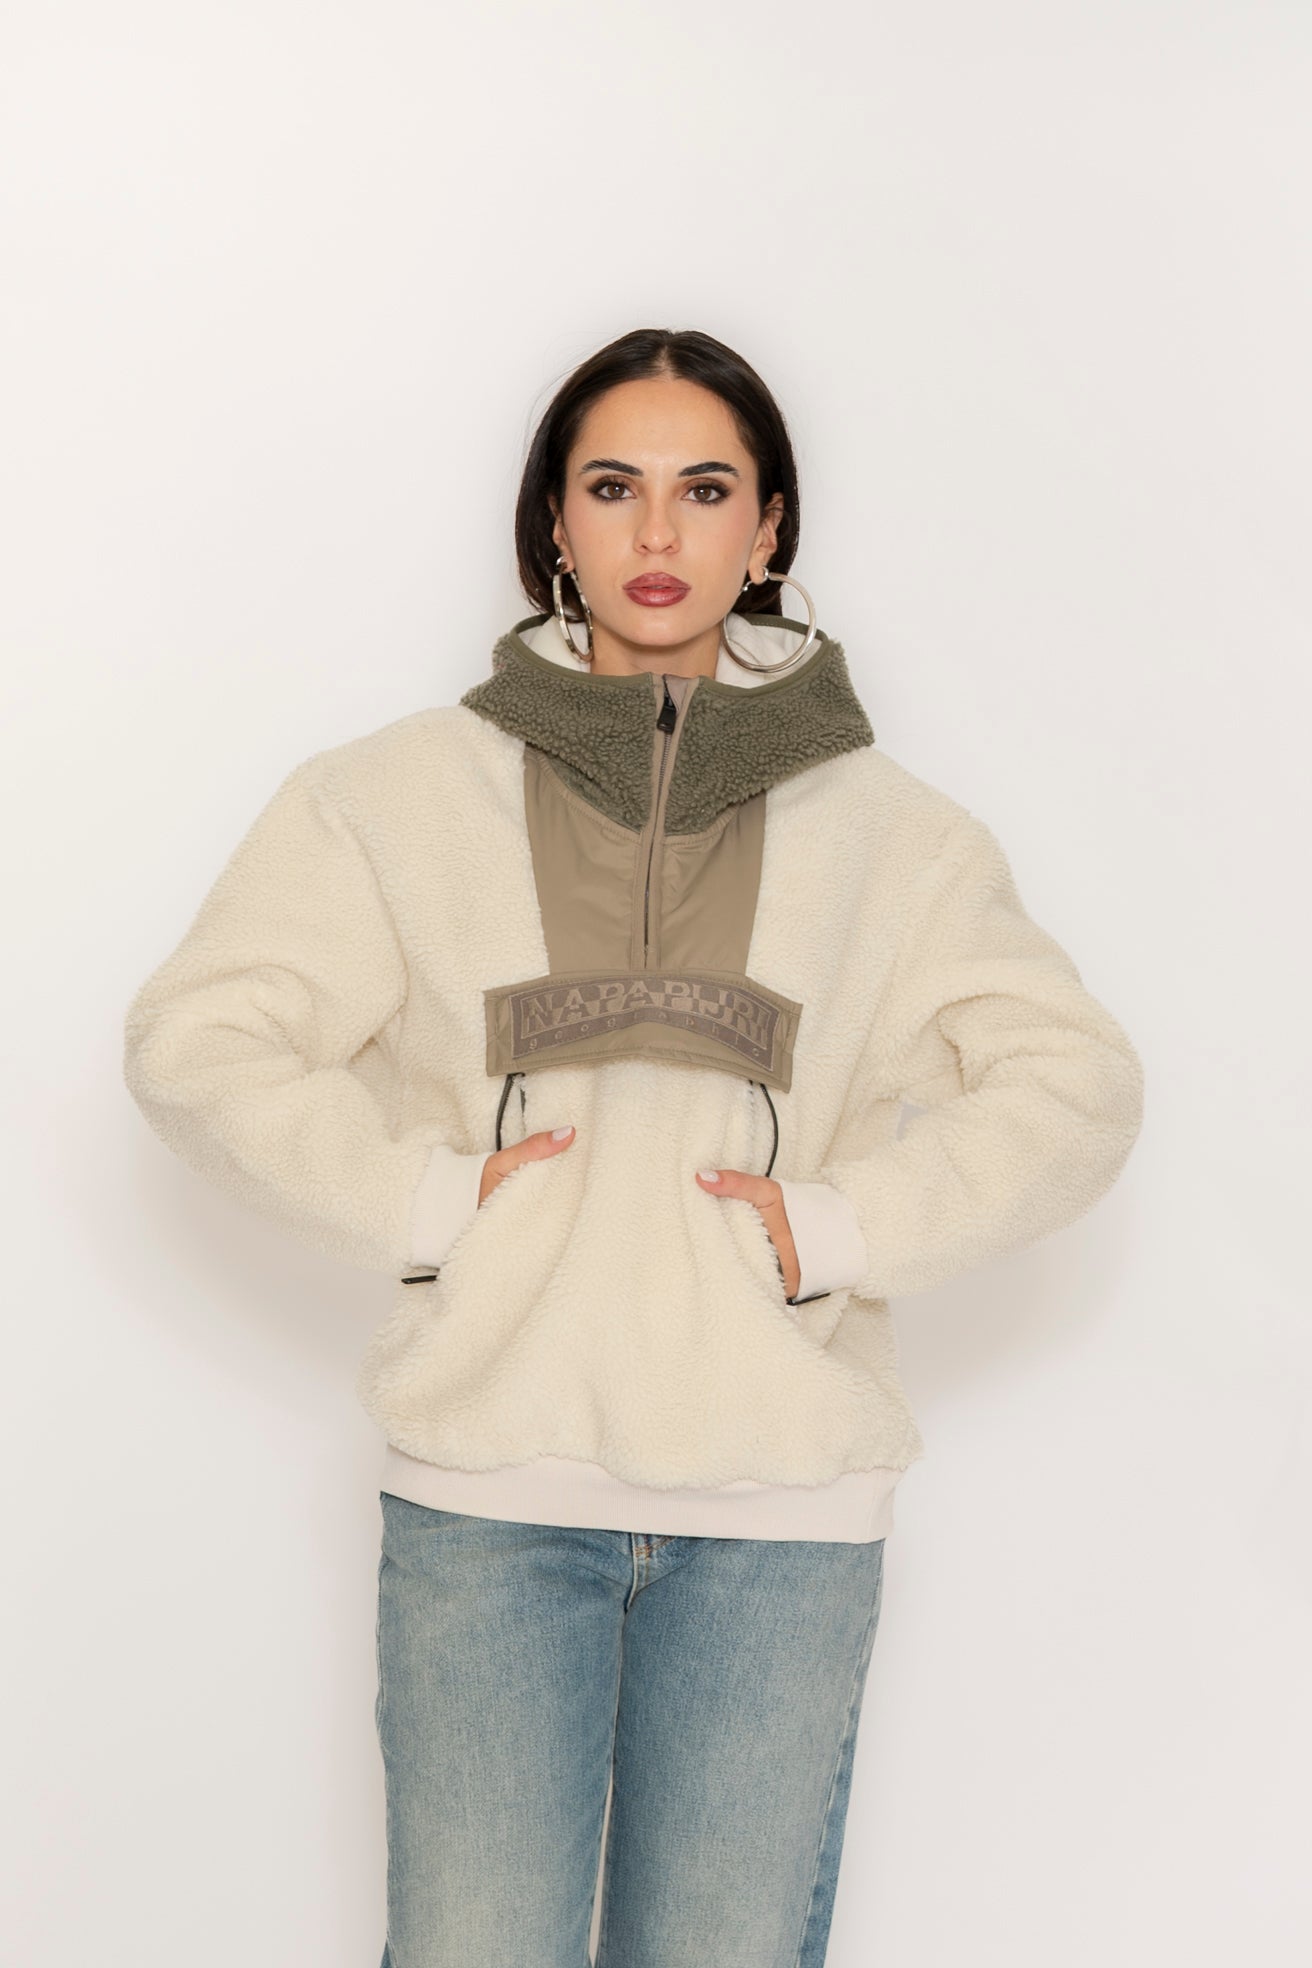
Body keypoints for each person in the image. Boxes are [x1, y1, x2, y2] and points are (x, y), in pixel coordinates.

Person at [122, 326, 1145, 1967]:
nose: (657, 535)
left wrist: (836, 1232)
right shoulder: (393, 797)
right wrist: (426, 1204)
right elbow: (199, 1041)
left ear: (771, 528)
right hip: (488, 1500)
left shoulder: (898, 836)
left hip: (781, 1521)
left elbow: (1073, 1085)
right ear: (555, 521)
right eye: (613, 488)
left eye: (705, 490)